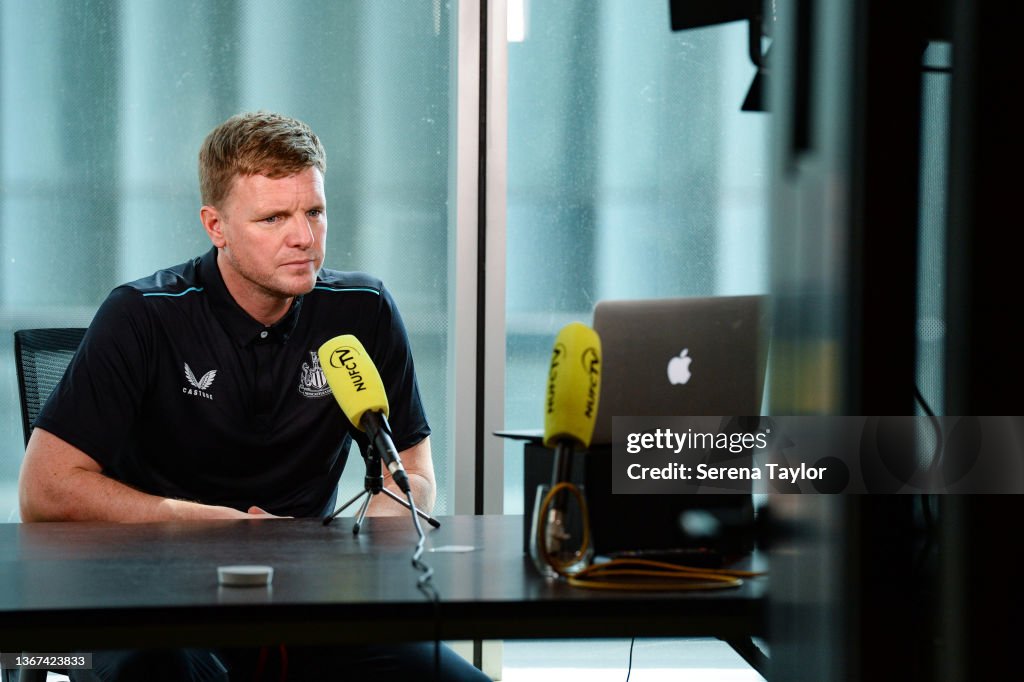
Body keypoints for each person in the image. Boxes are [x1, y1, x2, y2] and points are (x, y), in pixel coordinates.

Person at [18, 111, 489, 682]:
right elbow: (44, 489)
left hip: (302, 601)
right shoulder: (142, 315)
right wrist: (220, 526)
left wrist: (346, 555)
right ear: (215, 226)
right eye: (273, 218)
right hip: (153, 599)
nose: (304, 237)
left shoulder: (362, 310)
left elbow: (410, 475)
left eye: (313, 211)